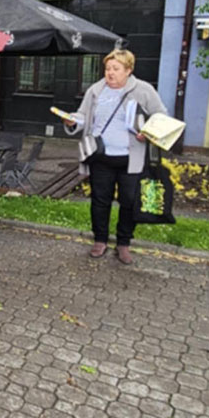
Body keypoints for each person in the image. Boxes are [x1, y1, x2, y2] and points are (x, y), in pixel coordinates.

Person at [63, 49, 167, 265]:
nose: (110, 73)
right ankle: (100, 240)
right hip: (101, 156)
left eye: (115, 69)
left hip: (131, 158)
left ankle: (123, 243)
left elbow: (161, 116)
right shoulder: (96, 90)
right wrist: (73, 120)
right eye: (107, 68)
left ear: (128, 70)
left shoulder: (143, 90)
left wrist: (147, 132)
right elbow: (83, 116)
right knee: (100, 200)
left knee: (129, 201)